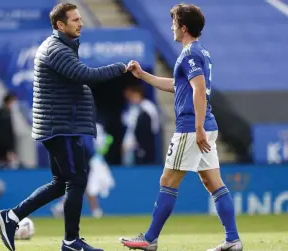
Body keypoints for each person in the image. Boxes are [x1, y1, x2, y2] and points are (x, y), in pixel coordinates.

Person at [0, 3, 127, 251]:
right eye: (75, 19)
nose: (81, 23)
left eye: (80, 18)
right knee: (76, 180)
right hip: (60, 126)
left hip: (59, 125)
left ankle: (11, 217)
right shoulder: (57, 49)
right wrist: (121, 68)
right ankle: (70, 241)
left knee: (60, 183)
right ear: (60, 25)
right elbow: (85, 75)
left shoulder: (60, 46)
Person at [120, 4, 242, 251]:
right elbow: (179, 85)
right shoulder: (199, 53)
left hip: (191, 126)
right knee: (213, 182)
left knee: (168, 179)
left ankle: (150, 238)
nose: (171, 27)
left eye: (174, 23)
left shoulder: (190, 54)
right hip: (204, 124)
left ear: (183, 27)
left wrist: (197, 128)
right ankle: (232, 240)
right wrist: (143, 75)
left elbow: (198, 90)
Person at [51, 123, 115, 219]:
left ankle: (95, 211)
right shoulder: (80, 127)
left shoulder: (92, 127)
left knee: (86, 186)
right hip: (85, 159)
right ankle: (61, 207)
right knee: (79, 185)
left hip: (91, 160)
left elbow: (103, 144)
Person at [122, 83, 160, 165]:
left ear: (138, 94)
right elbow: (130, 127)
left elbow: (154, 127)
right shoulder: (132, 108)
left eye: (132, 96)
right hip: (132, 143)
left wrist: (144, 143)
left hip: (145, 142)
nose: (130, 99)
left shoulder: (148, 107)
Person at [0, 92, 18, 168]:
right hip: (0, 147)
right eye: (13, 101)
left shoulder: (7, 113)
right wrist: (10, 149)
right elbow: (4, 132)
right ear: (9, 101)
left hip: (2, 147)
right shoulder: (3, 114)